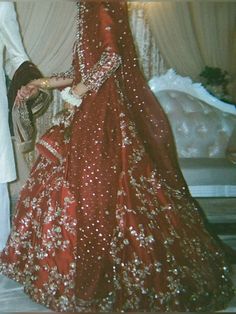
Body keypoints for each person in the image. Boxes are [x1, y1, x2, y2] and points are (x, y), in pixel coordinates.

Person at [0, 1, 234, 312]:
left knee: (96, 191)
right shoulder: (88, 8)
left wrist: (78, 93)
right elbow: (81, 69)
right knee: (75, 188)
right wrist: (41, 83)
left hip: (103, 117)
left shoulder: (102, 4)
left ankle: (101, 277)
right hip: (88, 112)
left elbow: (111, 58)